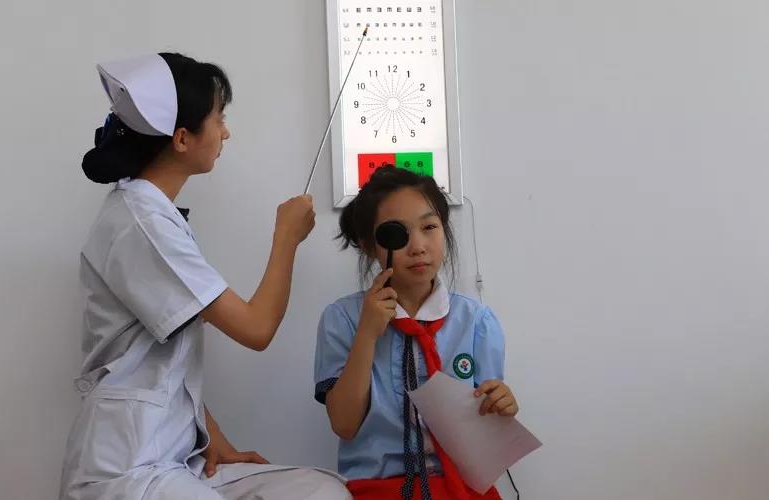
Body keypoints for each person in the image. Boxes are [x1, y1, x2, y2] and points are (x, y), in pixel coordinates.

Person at [60, 52, 350, 500]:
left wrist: (217, 442)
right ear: (181, 138)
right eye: (219, 118)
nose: (225, 132)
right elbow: (256, 329)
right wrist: (286, 239)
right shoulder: (143, 223)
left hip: (173, 457)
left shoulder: (150, 214)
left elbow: (166, 364)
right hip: (128, 468)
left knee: (321, 491)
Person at [314, 166, 519, 499]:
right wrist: (367, 335)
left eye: (429, 227)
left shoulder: (477, 322)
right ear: (369, 245)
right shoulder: (343, 320)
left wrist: (502, 405)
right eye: (398, 234)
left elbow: (485, 433)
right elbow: (344, 424)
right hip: (377, 488)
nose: (418, 246)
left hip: (462, 488)